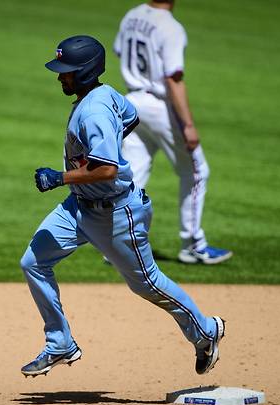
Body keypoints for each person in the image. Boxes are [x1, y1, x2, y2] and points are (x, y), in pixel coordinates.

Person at [20, 35, 224, 378]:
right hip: (79, 208)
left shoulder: (95, 109)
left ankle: (205, 331)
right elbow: (130, 118)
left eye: (66, 72)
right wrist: (102, 149)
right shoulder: (104, 95)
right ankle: (60, 343)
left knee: (146, 283)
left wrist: (60, 177)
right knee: (34, 262)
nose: (60, 77)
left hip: (115, 213)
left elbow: (108, 169)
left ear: (84, 72)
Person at [113, 0, 232, 264]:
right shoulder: (171, 28)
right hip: (159, 107)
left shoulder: (131, 15)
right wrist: (188, 124)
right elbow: (172, 78)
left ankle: (119, 244)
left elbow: (121, 51)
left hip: (131, 103)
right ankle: (193, 245)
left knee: (133, 173)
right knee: (196, 170)